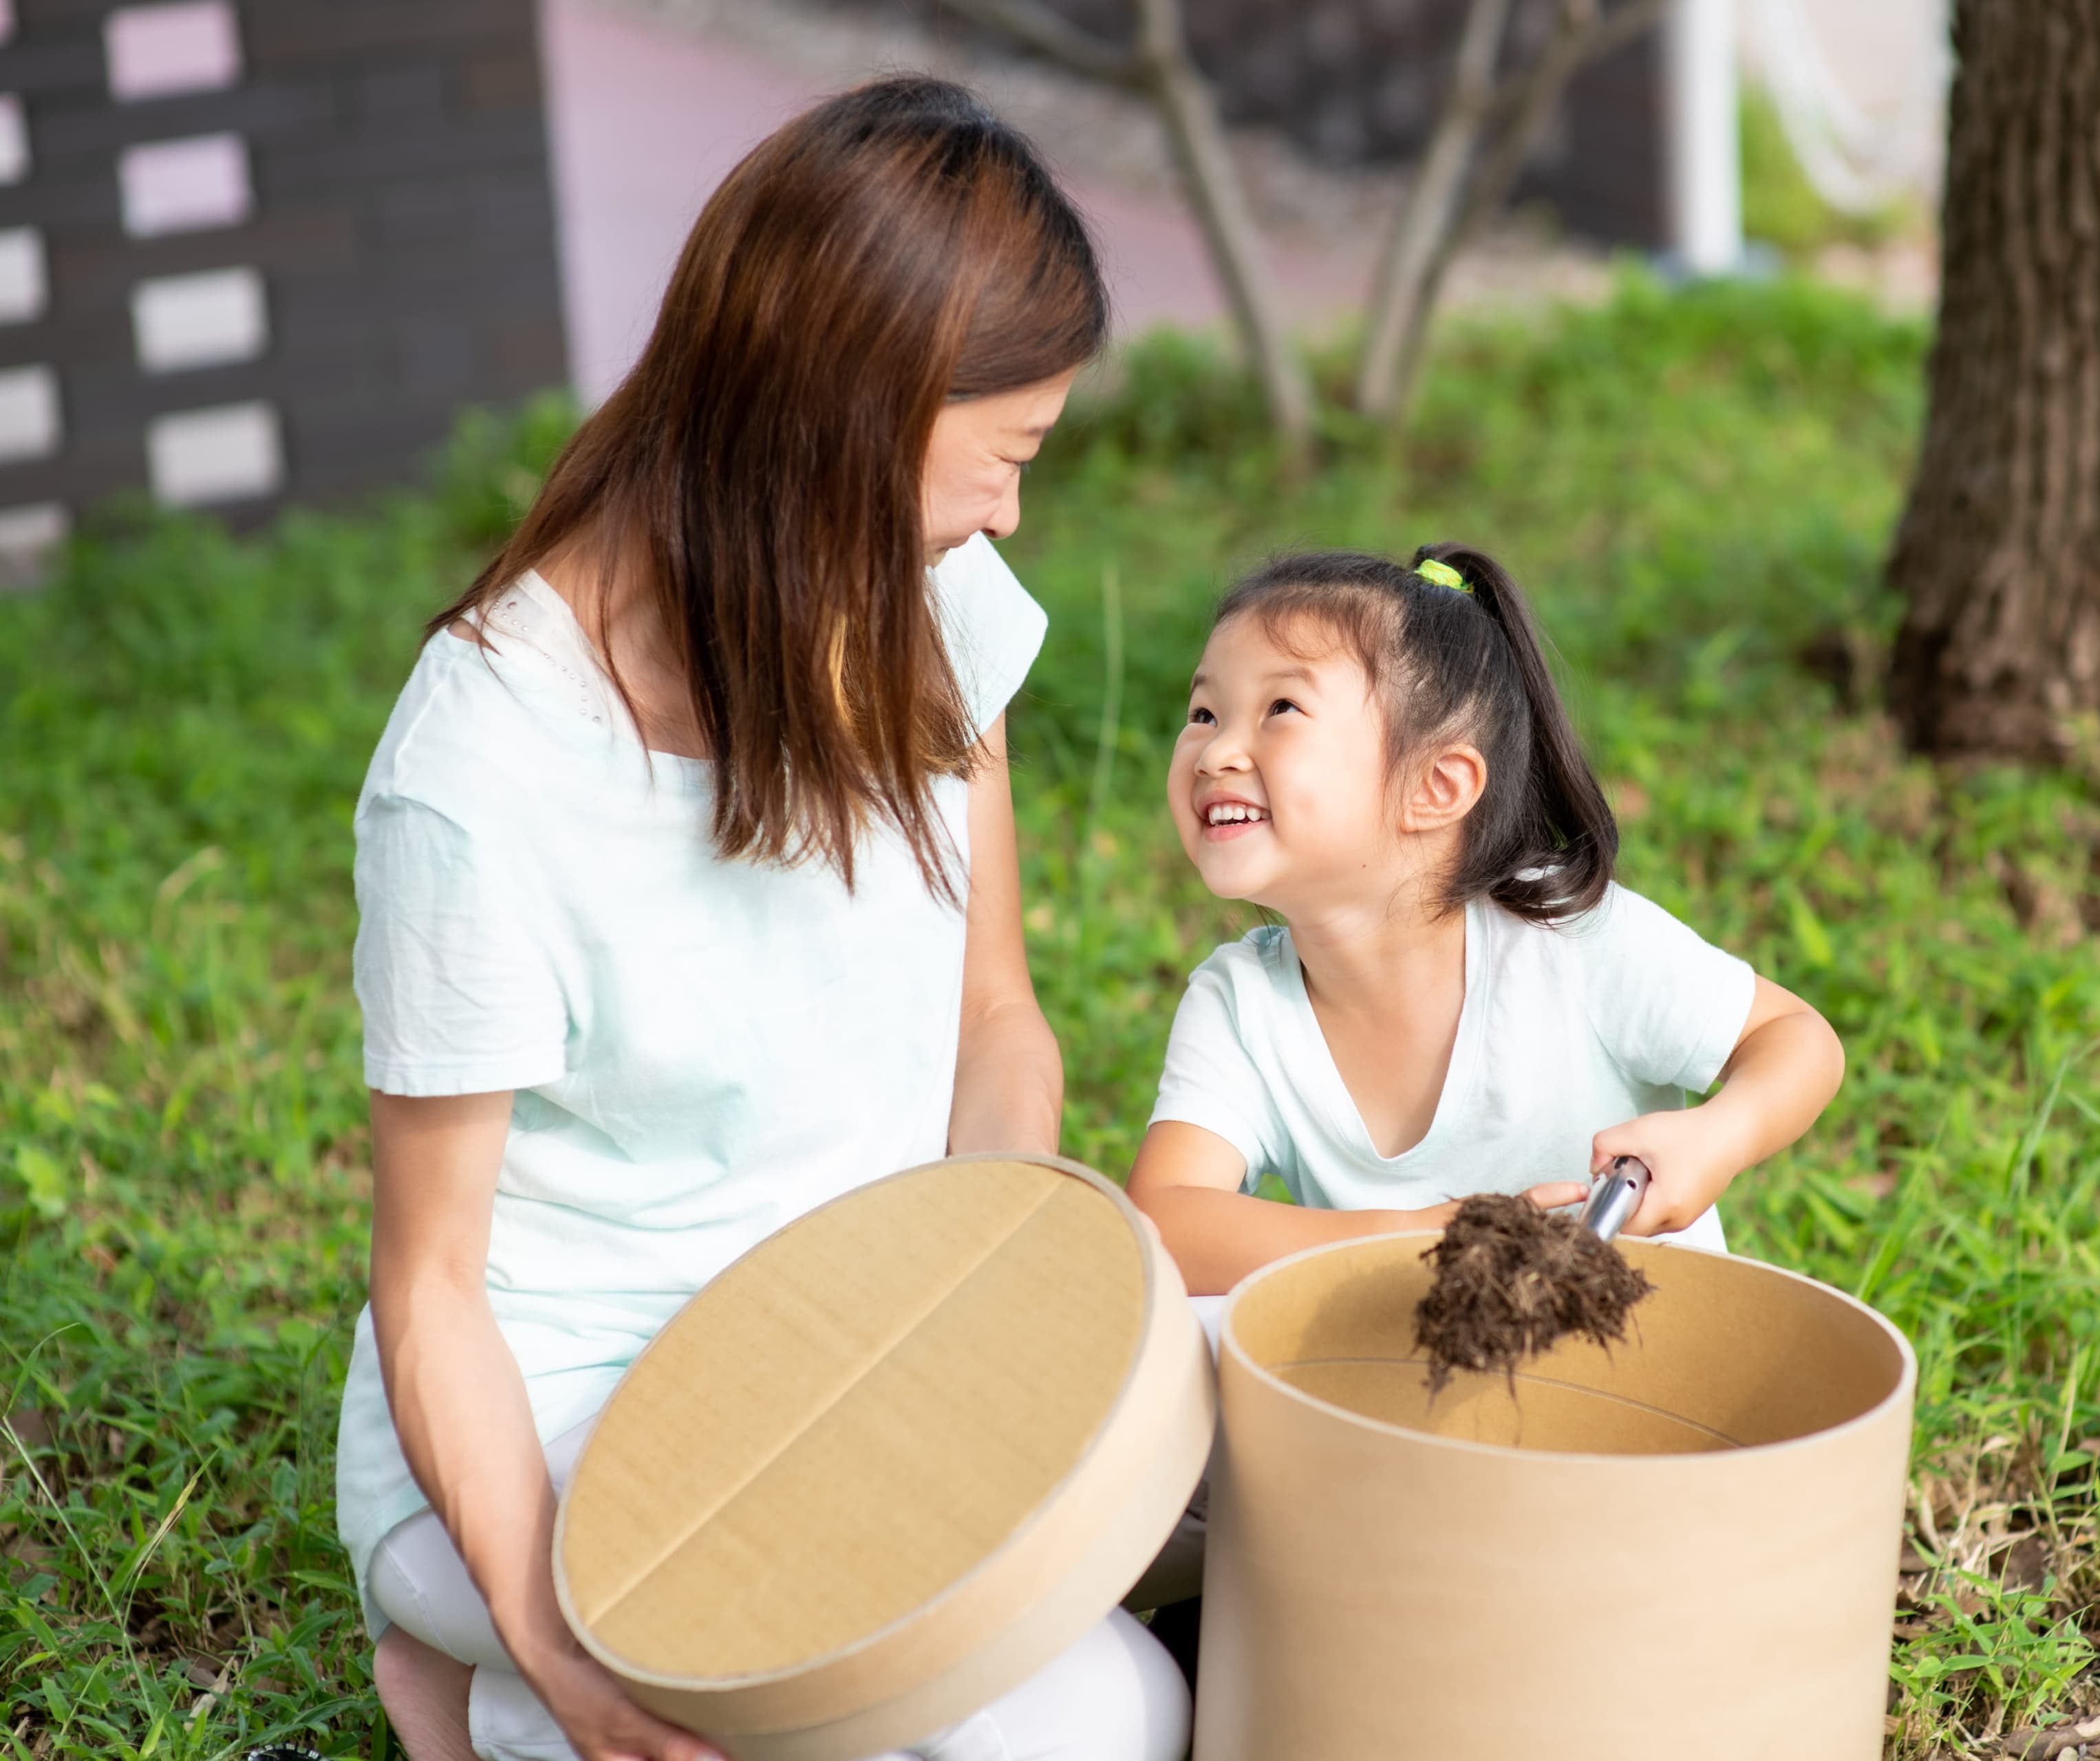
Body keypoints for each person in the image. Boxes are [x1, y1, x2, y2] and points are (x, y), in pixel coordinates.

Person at [337, 80, 1188, 1761]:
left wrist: (983, 1287)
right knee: (1065, 1729)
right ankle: (494, 1676)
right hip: (580, 1410)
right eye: (1002, 459)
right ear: (844, 415)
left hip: (854, 1349)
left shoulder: (921, 608)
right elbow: (434, 1287)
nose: (1009, 518)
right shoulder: (485, 765)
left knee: (1156, 1640)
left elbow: (992, 1022)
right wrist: (552, 1642)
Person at [1126, 545, 1846, 1297]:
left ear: (1437, 786)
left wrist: (1716, 1137)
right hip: (1418, 1395)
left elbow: (1796, 1039)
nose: (1215, 752)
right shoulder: (1243, 1004)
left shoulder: (1568, 939)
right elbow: (1164, 1225)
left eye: (1280, 709)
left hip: (1648, 1372)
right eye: (1204, 713)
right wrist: (1419, 1238)